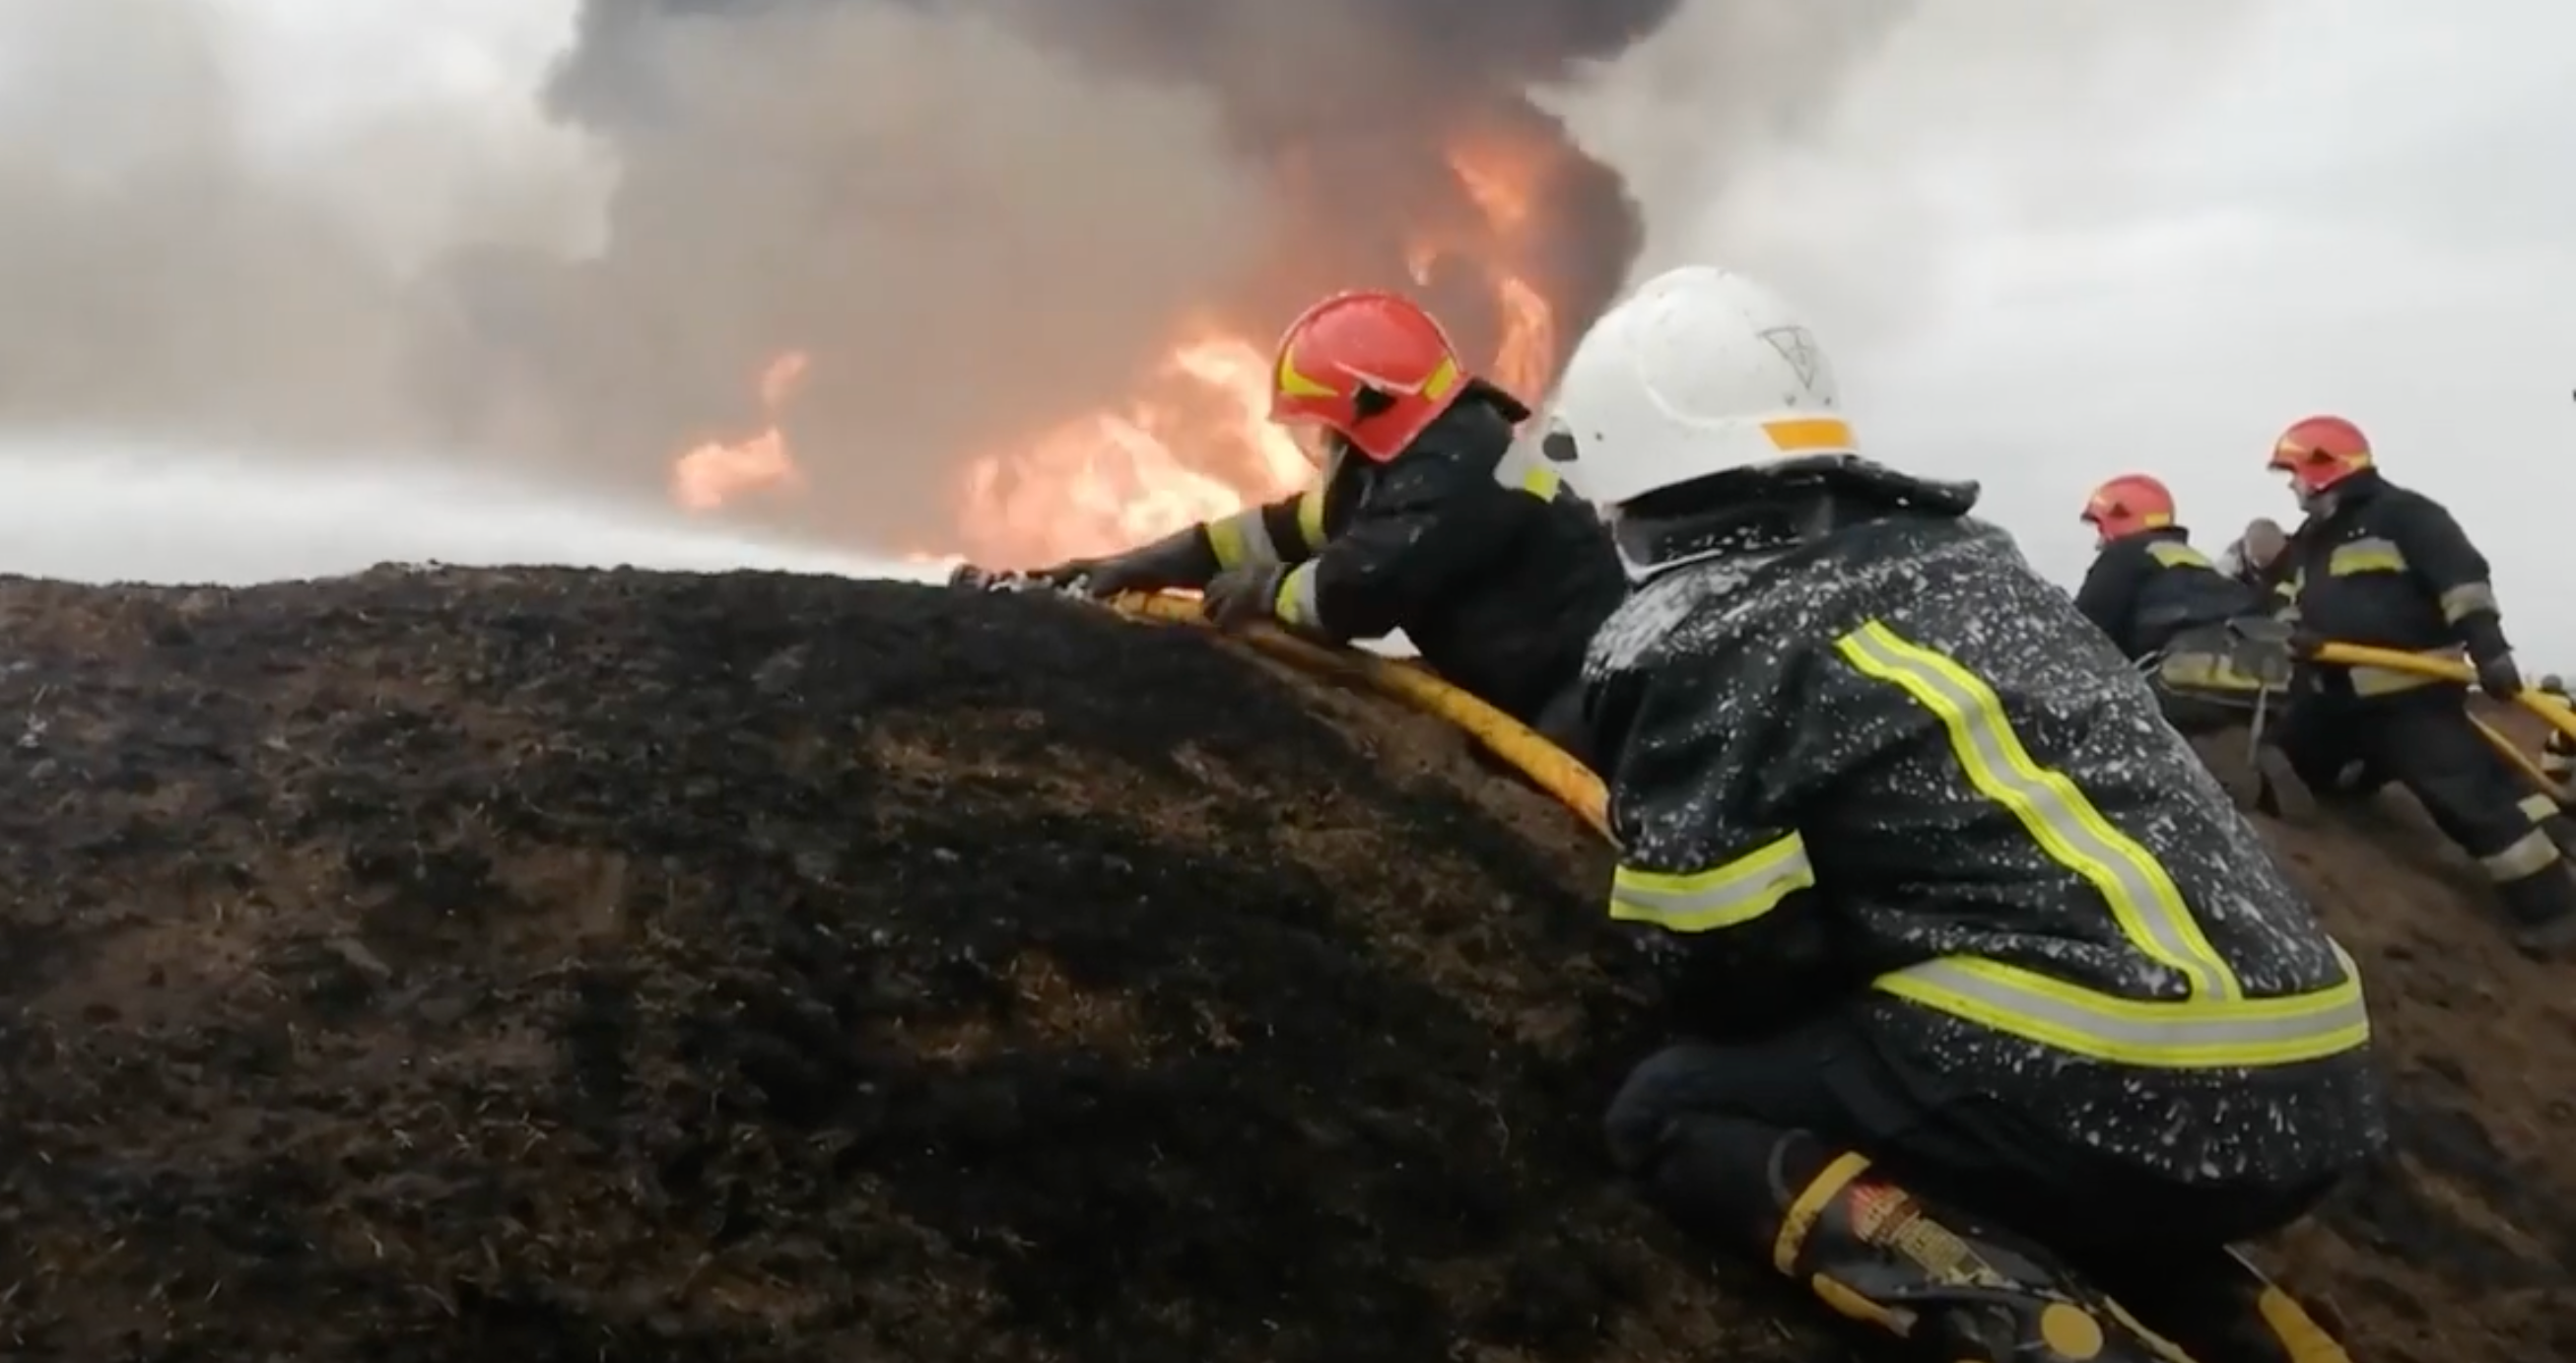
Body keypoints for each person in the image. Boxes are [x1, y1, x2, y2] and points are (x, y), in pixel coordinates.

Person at [1544, 266, 2382, 1363]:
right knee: (2006, 1123)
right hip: (2315, 1078)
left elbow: (1719, 964)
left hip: (2119, 1081)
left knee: (1674, 1107)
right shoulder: (1973, 563)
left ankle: (2047, 1337)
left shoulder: (1701, 632)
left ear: (1631, 474)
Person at [960, 288, 1627, 762]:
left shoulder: (1458, 470)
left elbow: (1357, 589)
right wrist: (1135, 564)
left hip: (1582, 698)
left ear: (1367, 405)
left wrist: (1264, 591)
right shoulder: (1411, 453)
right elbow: (1281, 530)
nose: (1322, 442)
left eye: (1326, 423)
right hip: (1525, 681)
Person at [2266, 414, 2576, 952]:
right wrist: (2291, 636)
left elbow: (2464, 585)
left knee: (2472, 803)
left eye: (2293, 471)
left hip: (2409, 700)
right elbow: (2289, 603)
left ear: (2322, 467)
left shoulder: (2407, 515)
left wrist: (2491, 651)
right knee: (2285, 759)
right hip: (2334, 701)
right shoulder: (2311, 541)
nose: (2291, 484)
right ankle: (2362, 773)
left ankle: (2556, 912)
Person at [2072, 474, 2279, 737]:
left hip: (2172, 699)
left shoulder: (2124, 556)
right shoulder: (2196, 563)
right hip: (2246, 693)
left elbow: (2085, 630)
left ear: (2120, 518)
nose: (2099, 542)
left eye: (2101, 528)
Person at [2218, 517, 2297, 610]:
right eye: (2260, 560)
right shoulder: (2232, 564)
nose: (2266, 567)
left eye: (2271, 561)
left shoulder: (2305, 555)